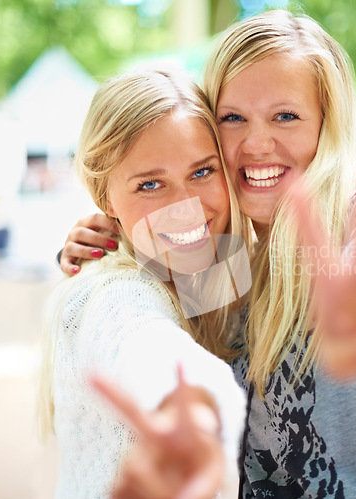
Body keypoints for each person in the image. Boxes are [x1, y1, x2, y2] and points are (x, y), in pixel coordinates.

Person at [57, 9, 356, 498]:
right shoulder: (230, 266)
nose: (258, 143)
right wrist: (108, 233)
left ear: (325, 123)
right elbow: (152, 331)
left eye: (286, 116)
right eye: (233, 118)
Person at [38, 68, 248, 499]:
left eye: (203, 172)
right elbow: (140, 342)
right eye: (150, 184)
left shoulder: (216, 267)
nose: (186, 207)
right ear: (104, 197)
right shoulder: (114, 293)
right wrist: (194, 413)